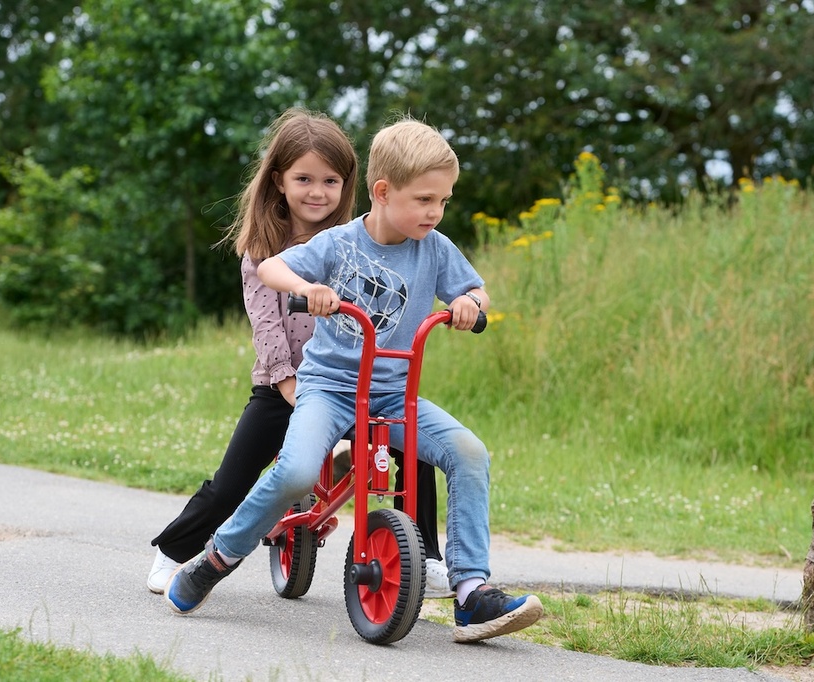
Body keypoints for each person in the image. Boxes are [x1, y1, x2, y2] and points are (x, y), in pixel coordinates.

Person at [165, 116, 544, 643]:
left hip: (394, 393)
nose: (435, 212)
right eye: (425, 200)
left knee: (469, 452)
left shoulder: (434, 247)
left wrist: (467, 303)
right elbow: (272, 268)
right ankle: (218, 556)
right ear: (383, 192)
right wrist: (308, 288)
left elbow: (477, 290)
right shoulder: (340, 243)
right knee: (297, 472)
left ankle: (471, 593)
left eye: (444, 201)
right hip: (330, 388)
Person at [147, 108, 452, 599]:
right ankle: (175, 551)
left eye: (330, 180)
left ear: (350, 185)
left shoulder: (355, 242)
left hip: (351, 385)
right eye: (304, 178)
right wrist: (294, 390)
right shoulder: (262, 249)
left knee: (413, 451)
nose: (317, 191)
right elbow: (267, 329)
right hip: (284, 385)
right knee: (235, 479)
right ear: (278, 181)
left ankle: (427, 558)